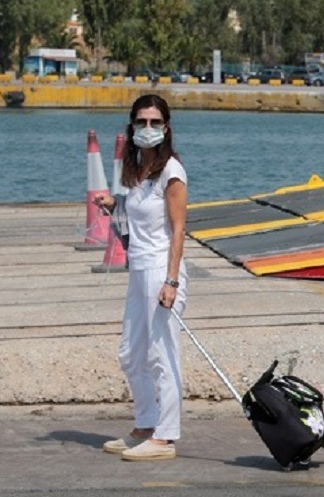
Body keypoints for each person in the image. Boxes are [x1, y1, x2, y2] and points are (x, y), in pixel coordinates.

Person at [93, 94, 189, 461]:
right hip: (138, 270)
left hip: (162, 272)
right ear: (132, 127)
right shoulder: (138, 171)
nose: (146, 129)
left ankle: (165, 437)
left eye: (154, 122)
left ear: (165, 128)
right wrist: (114, 204)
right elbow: (142, 213)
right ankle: (145, 424)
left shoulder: (171, 171)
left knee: (162, 354)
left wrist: (172, 280)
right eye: (140, 122)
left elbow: (178, 230)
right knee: (131, 353)